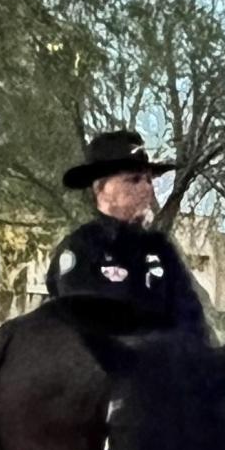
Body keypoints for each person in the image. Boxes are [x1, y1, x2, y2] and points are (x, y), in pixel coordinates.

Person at [46, 130, 209, 337]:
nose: (146, 190)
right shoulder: (81, 248)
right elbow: (84, 333)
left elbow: (193, 322)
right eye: (133, 180)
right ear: (100, 189)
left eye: (149, 180)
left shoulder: (161, 250)